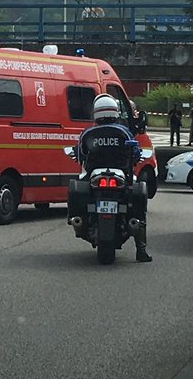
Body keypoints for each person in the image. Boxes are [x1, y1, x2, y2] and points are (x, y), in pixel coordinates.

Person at [75, 94, 152, 262]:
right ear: (115, 111)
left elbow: (80, 154)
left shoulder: (88, 133)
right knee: (139, 201)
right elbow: (136, 154)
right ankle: (141, 250)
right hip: (121, 176)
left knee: (77, 190)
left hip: (94, 177)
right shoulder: (124, 132)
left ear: (96, 112)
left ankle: (77, 220)